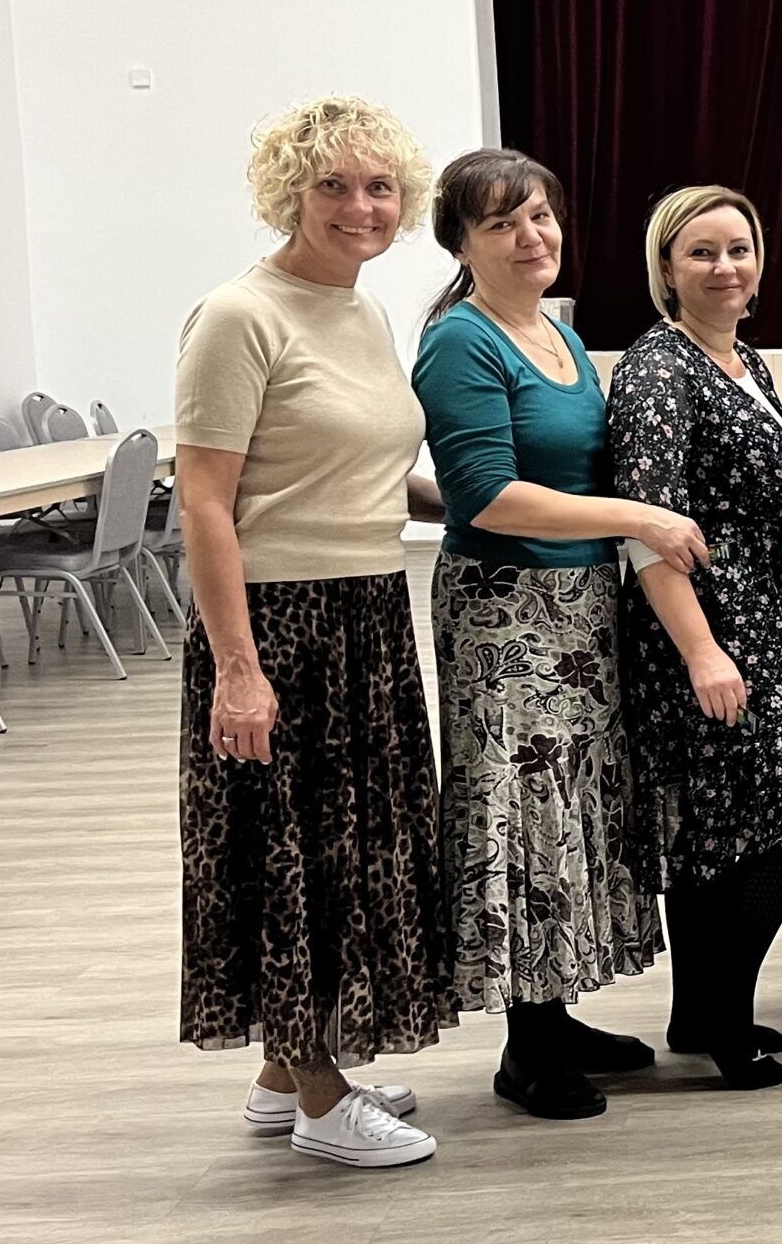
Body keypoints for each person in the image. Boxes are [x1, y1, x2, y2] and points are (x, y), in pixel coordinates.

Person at [175, 95, 449, 1168]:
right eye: (333, 184)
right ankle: (324, 1105)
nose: (359, 206)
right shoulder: (239, 315)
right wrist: (238, 671)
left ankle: (284, 1071)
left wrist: (466, 501)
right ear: (290, 191)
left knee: (350, 854)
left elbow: (351, 465)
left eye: (379, 187)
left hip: (367, 613)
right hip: (278, 624)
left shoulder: (361, 310)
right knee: (287, 855)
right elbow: (206, 504)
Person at [414, 148, 686, 1118]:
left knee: (572, 805)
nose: (531, 237)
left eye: (540, 216)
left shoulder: (557, 333)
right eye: (502, 224)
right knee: (522, 809)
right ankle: (526, 1046)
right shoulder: (462, 340)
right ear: (461, 243)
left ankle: (555, 1009)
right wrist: (639, 517)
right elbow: (487, 495)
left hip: (578, 607)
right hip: (507, 611)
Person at [608, 185, 782, 1086]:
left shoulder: (742, 353)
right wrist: (703, 651)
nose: (725, 267)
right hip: (708, 612)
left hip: (770, 603)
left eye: (738, 249)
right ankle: (725, 1017)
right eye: (701, 252)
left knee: (726, 824)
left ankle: (699, 1011)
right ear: (666, 268)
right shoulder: (657, 367)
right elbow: (646, 525)